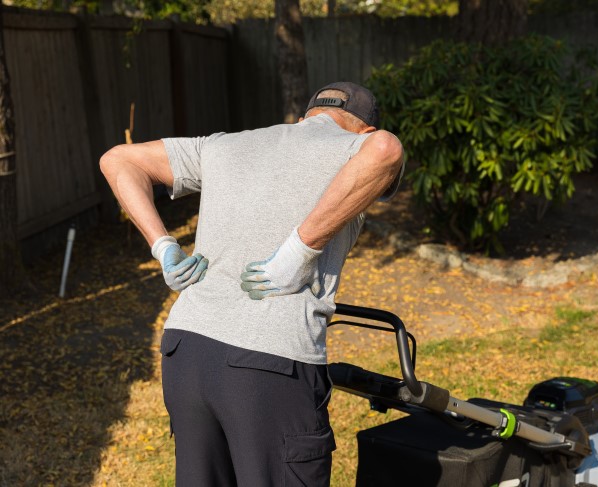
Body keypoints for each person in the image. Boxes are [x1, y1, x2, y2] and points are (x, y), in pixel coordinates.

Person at [99, 81, 404, 486]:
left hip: (186, 352)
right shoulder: (357, 148)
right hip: (270, 364)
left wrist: (164, 246)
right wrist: (300, 248)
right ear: (364, 128)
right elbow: (388, 151)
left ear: (304, 118)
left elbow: (118, 160)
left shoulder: (226, 144)